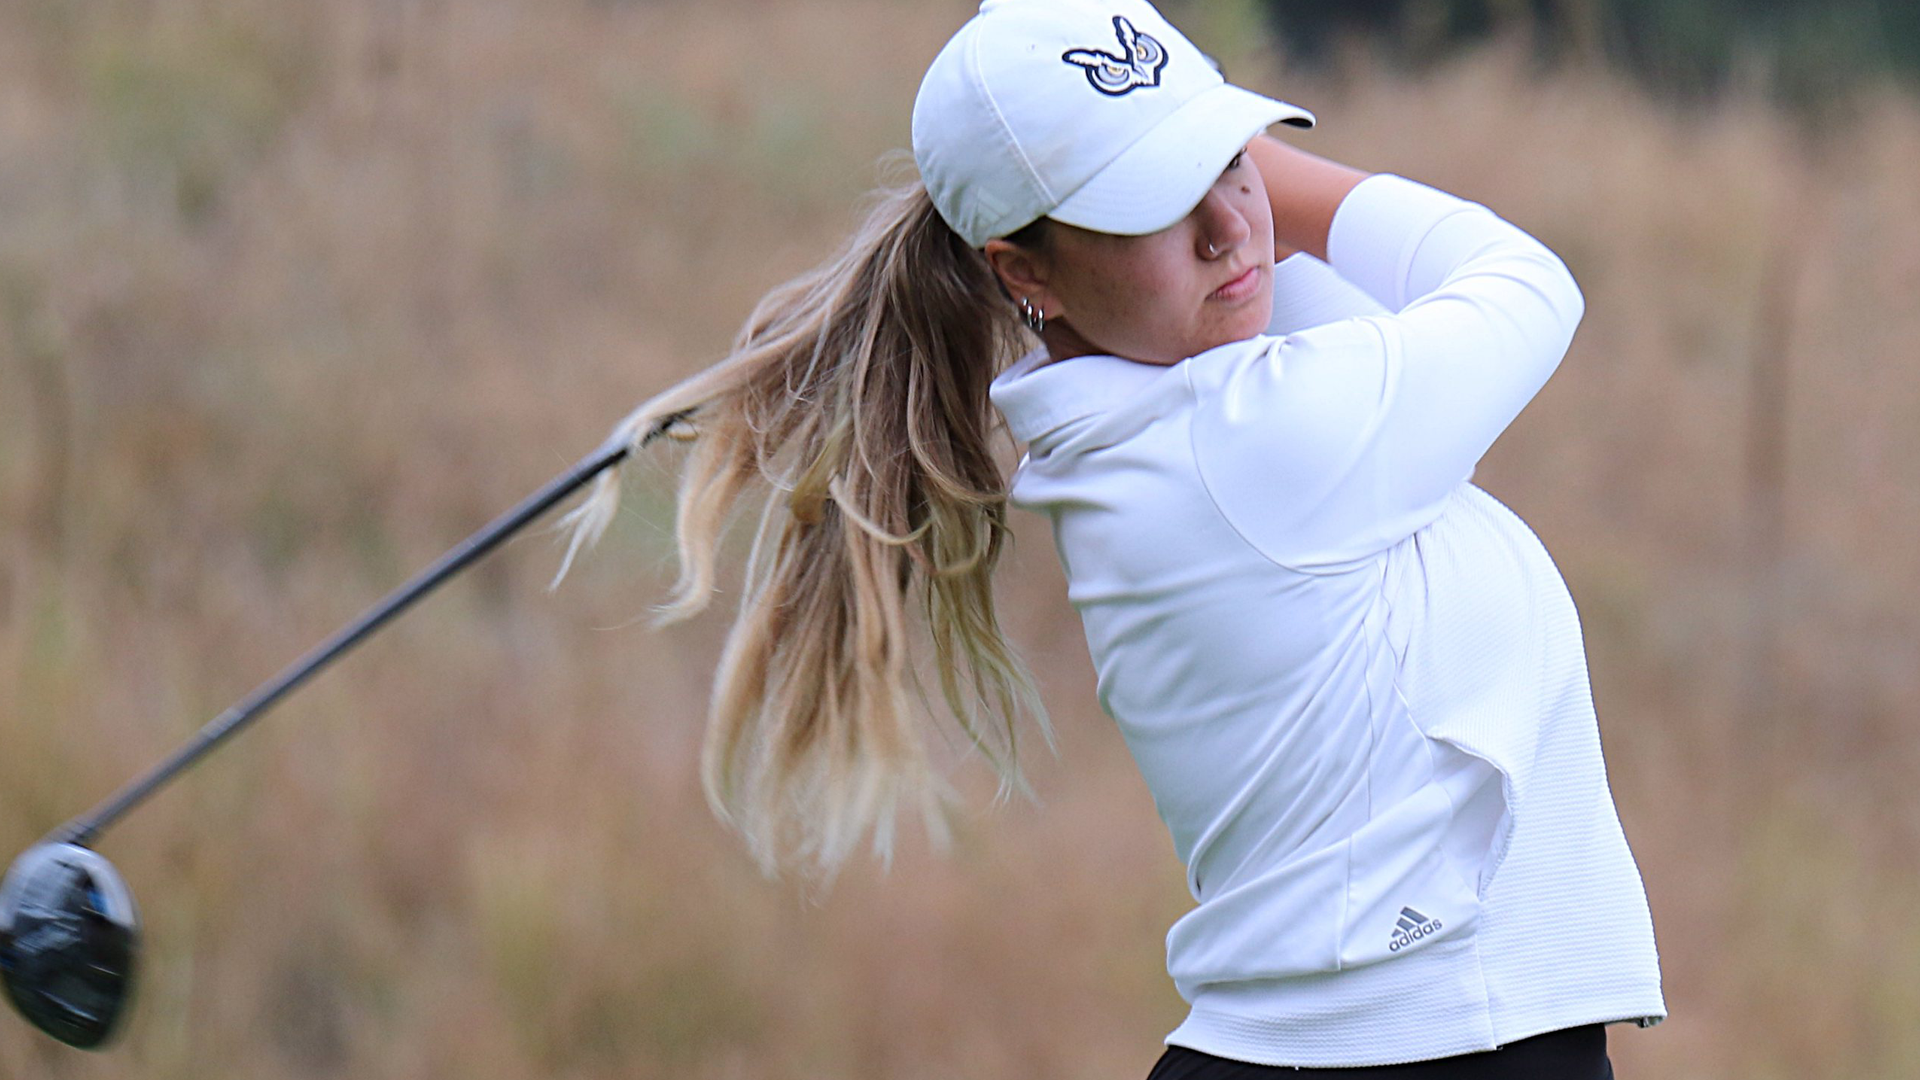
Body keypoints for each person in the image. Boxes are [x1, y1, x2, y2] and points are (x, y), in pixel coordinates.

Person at [555, 0, 1666, 1074]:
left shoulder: (1174, 397)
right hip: (1412, 1058)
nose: (1227, 229)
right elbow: (1526, 285)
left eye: (1230, 165)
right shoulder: (1248, 441)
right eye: (1152, 204)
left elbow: (1293, 285)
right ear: (1022, 272)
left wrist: (1179, 143)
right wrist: (1240, 152)